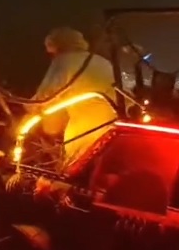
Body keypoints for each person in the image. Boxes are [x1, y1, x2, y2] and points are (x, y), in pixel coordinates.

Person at [32, 28, 116, 167]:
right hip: (113, 129)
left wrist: (31, 111)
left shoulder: (63, 61)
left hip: (84, 131)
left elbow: (45, 97)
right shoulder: (102, 61)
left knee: (77, 169)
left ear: (57, 47)